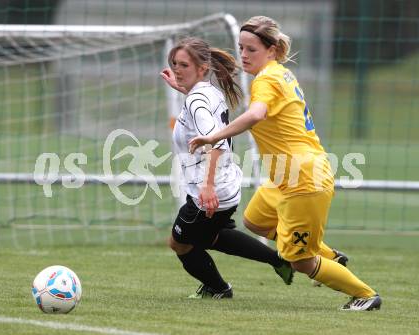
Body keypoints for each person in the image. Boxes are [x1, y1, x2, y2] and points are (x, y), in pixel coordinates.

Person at [188, 16, 381, 311]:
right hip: (286, 175)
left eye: (251, 49)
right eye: (241, 47)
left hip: (304, 180)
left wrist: (211, 136)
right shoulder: (279, 73)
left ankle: (365, 295)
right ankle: (330, 257)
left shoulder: (267, 79)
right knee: (255, 219)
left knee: (299, 261)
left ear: (272, 49)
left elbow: (255, 115)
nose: (244, 54)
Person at [160, 37, 293, 299]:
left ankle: (219, 288)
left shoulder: (197, 101)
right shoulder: (209, 91)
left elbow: (217, 143)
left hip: (209, 190)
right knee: (211, 237)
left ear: (202, 68)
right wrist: (183, 88)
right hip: (225, 185)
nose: (177, 69)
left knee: (180, 244)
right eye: (174, 63)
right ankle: (278, 260)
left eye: (184, 65)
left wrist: (207, 187)